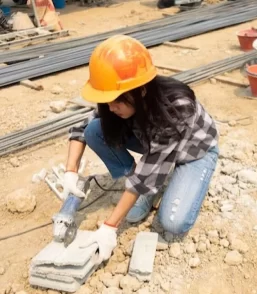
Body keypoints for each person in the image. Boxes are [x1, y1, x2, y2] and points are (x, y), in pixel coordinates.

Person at [62, 35, 219, 263]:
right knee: (95, 131)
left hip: (193, 153)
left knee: (173, 223)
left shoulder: (176, 107)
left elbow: (147, 172)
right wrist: (71, 170)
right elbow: (81, 128)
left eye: (117, 101)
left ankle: (161, 185)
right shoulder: (117, 101)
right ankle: (144, 190)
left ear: (141, 90)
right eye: (107, 100)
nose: (111, 107)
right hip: (154, 145)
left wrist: (109, 228)